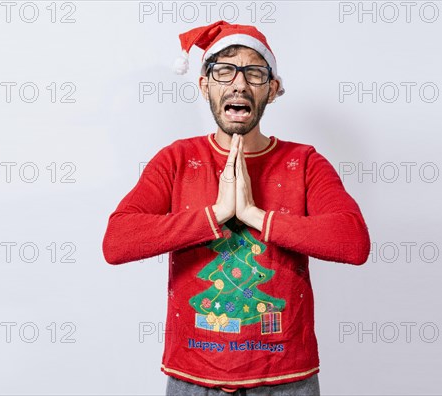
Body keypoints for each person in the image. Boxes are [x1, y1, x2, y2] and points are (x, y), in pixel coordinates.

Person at [102, 20, 371, 395]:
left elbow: (353, 242)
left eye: (255, 73)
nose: (239, 84)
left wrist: (252, 215)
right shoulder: (177, 160)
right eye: (224, 71)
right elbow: (117, 242)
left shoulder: (305, 162)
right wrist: (215, 215)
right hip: (194, 379)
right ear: (204, 85)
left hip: (286, 380)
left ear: (273, 90)